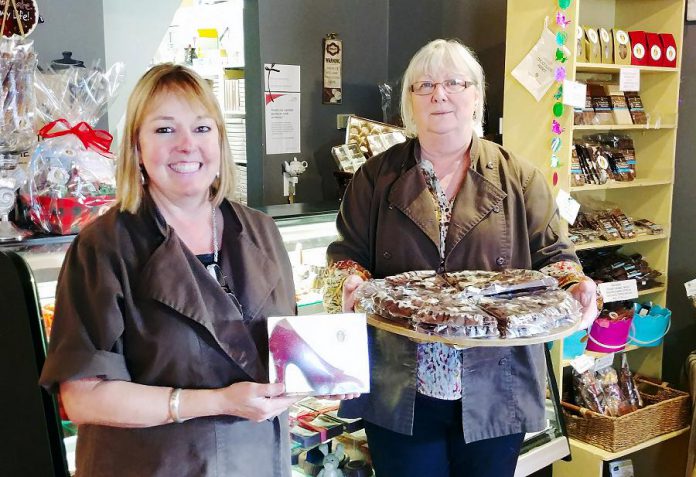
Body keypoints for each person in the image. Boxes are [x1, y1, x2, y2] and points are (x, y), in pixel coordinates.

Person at [324, 39, 599, 477]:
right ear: (409, 100)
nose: (440, 94)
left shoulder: (520, 177)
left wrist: (575, 285)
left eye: (454, 82)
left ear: (476, 95)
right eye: (425, 84)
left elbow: (555, 258)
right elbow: (345, 255)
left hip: (495, 382)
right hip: (400, 385)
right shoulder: (374, 177)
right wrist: (350, 284)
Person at [39, 64, 304, 476]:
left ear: (220, 139)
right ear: (136, 148)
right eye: (165, 130)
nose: (187, 145)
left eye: (201, 129)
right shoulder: (103, 247)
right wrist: (216, 401)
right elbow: (83, 398)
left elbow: (287, 348)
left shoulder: (260, 230)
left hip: (257, 461)